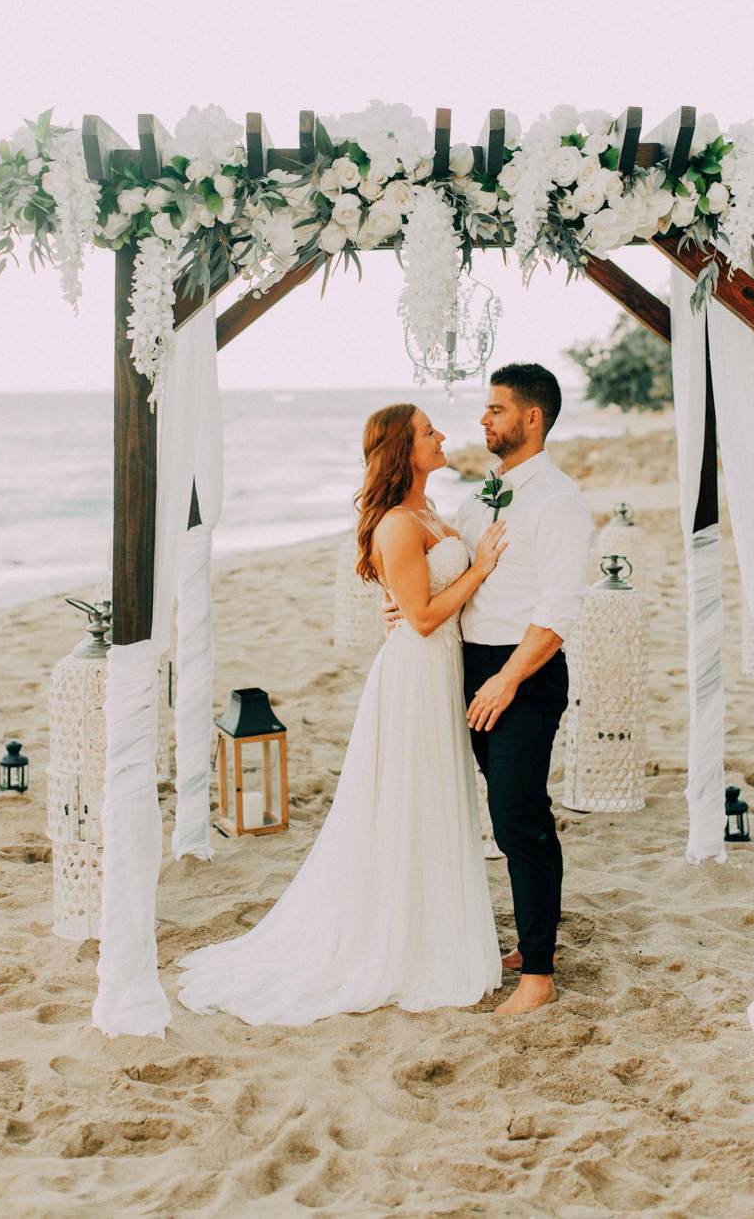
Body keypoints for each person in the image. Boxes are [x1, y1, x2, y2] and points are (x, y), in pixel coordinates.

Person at [177, 403, 508, 1025]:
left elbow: (423, 603)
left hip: (441, 668)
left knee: (435, 798)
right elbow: (424, 617)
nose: (442, 438)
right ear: (403, 449)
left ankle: (430, 924)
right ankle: (396, 939)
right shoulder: (394, 525)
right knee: (409, 799)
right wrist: (481, 567)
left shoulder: (431, 512)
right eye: (429, 432)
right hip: (414, 673)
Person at [388, 363, 593, 1015]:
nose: (484, 420)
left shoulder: (558, 502)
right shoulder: (481, 498)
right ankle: (540, 943)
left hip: (523, 674)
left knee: (517, 815)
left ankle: (537, 975)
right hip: (469, 668)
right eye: (485, 409)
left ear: (531, 419)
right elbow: (456, 577)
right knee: (506, 815)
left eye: (497, 409)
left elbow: (559, 612)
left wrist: (507, 680)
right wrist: (407, 606)